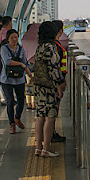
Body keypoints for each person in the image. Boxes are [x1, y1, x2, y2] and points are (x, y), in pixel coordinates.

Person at [32, 21, 65, 157]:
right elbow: (52, 70)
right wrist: (59, 86)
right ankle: (46, 148)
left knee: (40, 117)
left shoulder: (39, 48)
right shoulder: (50, 48)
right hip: (49, 88)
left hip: (39, 87)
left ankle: (38, 147)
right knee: (50, 118)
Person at [0, 30, 32, 134]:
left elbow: (25, 63)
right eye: (12, 38)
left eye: (16, 37)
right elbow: (7, 61)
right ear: (8, 39)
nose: (14, 40)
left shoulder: (21, 49)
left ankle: (17, 117)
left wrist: (30, 75)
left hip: (19, 79)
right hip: (6, 79)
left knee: (21, 100)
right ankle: (12, 124)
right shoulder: (4, 49)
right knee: (10, 102)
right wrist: (20, 65)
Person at [51, 20, 67, 143]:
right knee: (53, 110)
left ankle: (50, 133)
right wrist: (61, 84)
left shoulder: (48, 46)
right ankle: (51, 134)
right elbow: (59, 68)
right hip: (57, 82)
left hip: (49, 82)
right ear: (61, 31)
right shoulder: (58, 47)